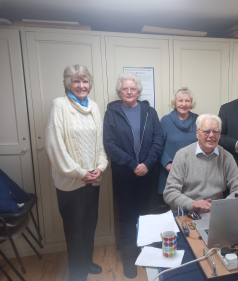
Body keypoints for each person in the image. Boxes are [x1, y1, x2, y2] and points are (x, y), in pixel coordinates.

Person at [45, 65, 108, 281]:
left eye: (85, 81)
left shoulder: (94, 107)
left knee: (89, 224)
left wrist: (99, 167)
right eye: (76, 81)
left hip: (93, 179)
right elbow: (55, 146)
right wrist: (80, 172)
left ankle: (87, 261)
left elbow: (100, 143)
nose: (82, 86)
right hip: (71, 182)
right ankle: (77, 274)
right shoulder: (60, 105)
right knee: (75, 231)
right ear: (68, 84)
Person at [103, 72, 163, 278]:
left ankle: (145, 254)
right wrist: (132, 164)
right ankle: (129, 258)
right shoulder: (111, 112)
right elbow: (109, 144)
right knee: (127, 216)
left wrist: (147, 163)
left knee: (146, 214)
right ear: (120, 92)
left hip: (147, 174)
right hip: (124, 175)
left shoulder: (150, 111)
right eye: (125, 89)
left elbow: (158, 140)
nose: (129, 92)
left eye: (133, 88)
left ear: (139, 91)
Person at [163, 114, 238, 213]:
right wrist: (192, 204)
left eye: (215, 131)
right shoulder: (182, 155)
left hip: (216, 212)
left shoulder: (226, 157)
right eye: (206, 131)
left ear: (219, 134)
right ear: (197, 133)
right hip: (187, 212)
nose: (211, 135)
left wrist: (222, 206)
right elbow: (170, 192)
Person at [158, 87, 198, 195]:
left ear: (191, 103)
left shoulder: (199, 120)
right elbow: (158, 146)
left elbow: (203, 145)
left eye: (187, 101)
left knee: (193, 207)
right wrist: (167, 164)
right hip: (171, 171)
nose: (183, 104)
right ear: (174, 102)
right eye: (180, 100)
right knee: (173, 207)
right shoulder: (165, 120)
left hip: (193, 172)